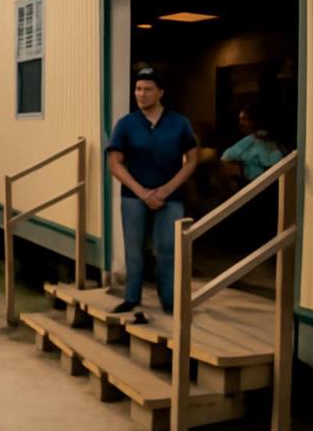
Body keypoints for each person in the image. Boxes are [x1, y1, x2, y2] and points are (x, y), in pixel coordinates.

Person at [106, 67, 199, 314]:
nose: (141, 94)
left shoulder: (179, 123)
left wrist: (166, 190)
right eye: (138, 89)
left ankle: (169, 301)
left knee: (167, 249)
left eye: (147, 89)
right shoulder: (126, 124)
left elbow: (191, 159)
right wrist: (142, 192)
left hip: (170, 196)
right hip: (134, 196)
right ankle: (132, 297)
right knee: (133, 248)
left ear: (160, 92)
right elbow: (114, 163)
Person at [221, 103, 283, 183]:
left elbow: (269, 160)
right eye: (240, 119)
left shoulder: (263, 139)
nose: (240, 123)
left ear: (253, 121)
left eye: (244, 119)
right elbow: (227, 156)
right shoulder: (241, 139)